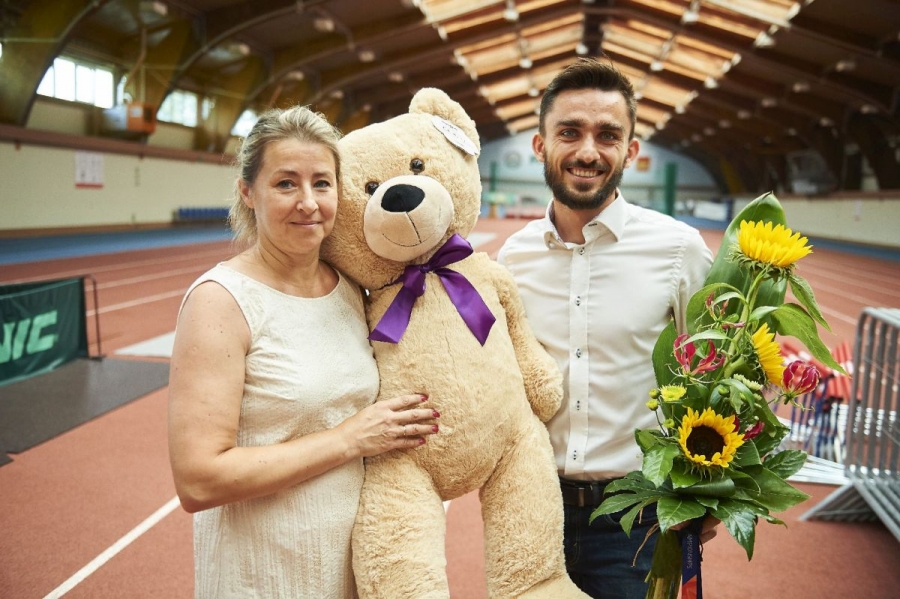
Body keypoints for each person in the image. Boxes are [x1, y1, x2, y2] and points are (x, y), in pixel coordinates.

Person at [167, 105, 439, 599]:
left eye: (322, 183)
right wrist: (350, 439)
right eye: (286, 183)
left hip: (350, 575)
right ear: (248, 192)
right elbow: (199, 480)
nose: (308, 203)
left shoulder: (350, 289)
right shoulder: (220, 302)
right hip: (264, 578)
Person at [497, 57, 716, 598]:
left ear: (631, 151)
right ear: (541, 145)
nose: (588, 151)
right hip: (531, 511)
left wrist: (713, 490)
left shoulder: (678, 250)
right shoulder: (513, 258)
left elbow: (722, 376)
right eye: (569, 132)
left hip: (637, 522)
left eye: (608, 135)